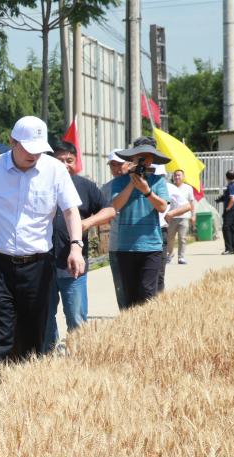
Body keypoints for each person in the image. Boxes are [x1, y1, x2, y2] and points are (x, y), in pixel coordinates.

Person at [0, 115, 84, 365]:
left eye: (39, 149)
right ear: (13, 142)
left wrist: (76, 246)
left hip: (37, 267)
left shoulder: (54, 170)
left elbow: (70, 211)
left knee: (32, 338)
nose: (34, 155)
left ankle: (24, 387)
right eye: (28, 148)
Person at [43, 140, 115, 353]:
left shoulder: (85, 186)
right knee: (45, 317)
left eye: (69, 160)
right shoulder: (39, 183)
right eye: (60, 160)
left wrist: (87, 222)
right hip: (42, 265)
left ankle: (78, 355)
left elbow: (109, 211)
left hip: (72, 265)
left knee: (76, 316)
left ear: (76, 162)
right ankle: (48, 356)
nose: (65, 165)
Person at [107, 137, 171, 309]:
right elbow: (116, 205)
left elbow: (162, 207)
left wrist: (146, 190)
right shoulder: (119, 182)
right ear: (132, 158)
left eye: (148, 157)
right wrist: (132, 182)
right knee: (130, 297)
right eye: (140, 156)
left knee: (148, 294)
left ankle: (149, 326)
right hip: (125, 247)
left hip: (151, 246)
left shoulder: (158, 181)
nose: (144, 160)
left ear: (152, 160)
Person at [101, 150, 128, 310]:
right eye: (113, 165)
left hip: (140, 244)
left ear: (129, 164)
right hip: (116, 244)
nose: (117, 168)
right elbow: (99, 211)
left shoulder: (139, 183)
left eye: (120, 164)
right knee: (121, 286)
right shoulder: (106, 188)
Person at [165, 169, 196, 264]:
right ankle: (170, 254)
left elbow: (191, 202)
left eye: (179, 175)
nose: (177, 177)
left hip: (184, 216)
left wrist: (193, 215)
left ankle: (181, 257)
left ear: (183, 177)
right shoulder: (170, 187)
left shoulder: (188, 188)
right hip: (172, 216)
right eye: (175, 175)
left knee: (182, 238)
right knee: (170, 238)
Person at [220, 169, 234, 255]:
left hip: (231, 209)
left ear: (226, 177)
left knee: (226, 228)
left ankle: (229, 249)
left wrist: (228, 208)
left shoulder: (230, 186)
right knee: (233, 228)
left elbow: (232, 199)